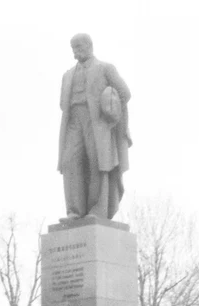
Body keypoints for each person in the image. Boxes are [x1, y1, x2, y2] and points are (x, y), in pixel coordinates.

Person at [58, 33, 132, 221]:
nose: (75, 52)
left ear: (89, 46)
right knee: (70, 162)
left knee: (97, 163)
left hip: (98, 122)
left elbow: (124, 93)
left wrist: (111, 112)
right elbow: (62, 104)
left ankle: (97, 210)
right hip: (74, 121)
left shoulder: (105, 68)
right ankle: (74, 211)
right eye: (73, 49)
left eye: (79, 48)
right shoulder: (67, 75)